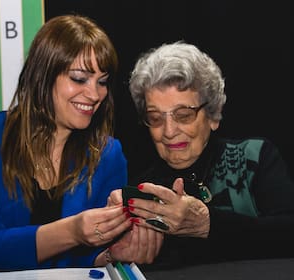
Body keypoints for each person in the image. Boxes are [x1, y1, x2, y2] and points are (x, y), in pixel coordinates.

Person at [0, 14, 156, 271]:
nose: (94, 94)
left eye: (102, 82)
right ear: (42, 76)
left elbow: (85, 259)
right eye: (79, 78)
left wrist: (112, 254)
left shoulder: (108, 154)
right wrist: (73, 230)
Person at [108, 41, 294, 268]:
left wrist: (207, 223)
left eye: (184, 115)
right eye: (156, 118)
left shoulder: (254, 157)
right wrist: (120, 248)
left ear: (213, 115)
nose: (168, 131)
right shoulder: (144, 189)